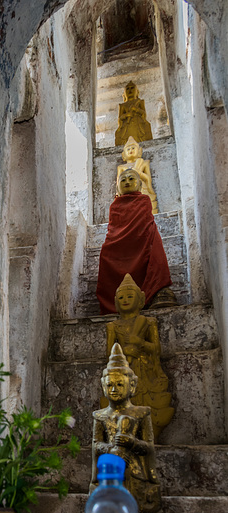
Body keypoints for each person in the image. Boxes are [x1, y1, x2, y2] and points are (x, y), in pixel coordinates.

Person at [90, 342, 167, 513]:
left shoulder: (141, 413)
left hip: (137, 479)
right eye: (109, 385)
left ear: (132, 386)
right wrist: (110, 447)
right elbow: (95, 448)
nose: (114, 389)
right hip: (111, 480)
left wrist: (132, 443)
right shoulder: (100, 417)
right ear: (103, 386)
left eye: (119, 384)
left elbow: (149, 448)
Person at [102, 274, 174, 439]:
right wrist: (126, 352)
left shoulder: (148, 322)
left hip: (146, 371)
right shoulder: (112, 326)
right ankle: (122, 433)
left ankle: (148, 433)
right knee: (121, 398)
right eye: (121, 297)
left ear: (141, 300)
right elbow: (109, 353)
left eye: (130, 296)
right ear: (115, 302)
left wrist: (140, 343)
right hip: (124, 370)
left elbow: (156, 349)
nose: (125, 299)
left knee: (148, 400)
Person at [96, 168, 174, 315]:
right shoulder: (115, 205)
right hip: (119, 243)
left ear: (139, 184)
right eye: (123, 180)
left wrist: (139, 237)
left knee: (153, 239)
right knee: (106, 253)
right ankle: (117, 300)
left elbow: (144, 224)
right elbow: (114, 228)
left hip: (141, 239)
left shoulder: (144, 200)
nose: (127, 182)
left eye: (131, 179)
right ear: (117, 186)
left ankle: (153, 293)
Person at [117, 136, 158, 215]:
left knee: (145, 206)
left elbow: (148, 179)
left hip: (142, 189)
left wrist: (139, 173)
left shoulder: (144, 163)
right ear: (123, 154)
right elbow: (119, 183)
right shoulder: (121, 167)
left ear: (139, 151)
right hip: (127, 191)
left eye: (133, 148)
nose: (131, 150)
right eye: (128, 149)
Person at [115, 81, 153, 147]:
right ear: (124, 93)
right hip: (127, 125)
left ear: (136, 91)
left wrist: (136, 110)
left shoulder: (140, 102)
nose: (130, 90)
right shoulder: (122, 105)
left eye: (132, 88)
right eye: (127, 89)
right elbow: (120, 118)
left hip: (138, 123)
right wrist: (126, 115)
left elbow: (143, 114)